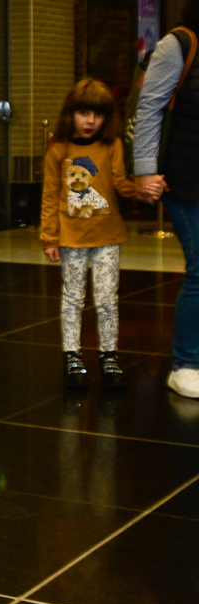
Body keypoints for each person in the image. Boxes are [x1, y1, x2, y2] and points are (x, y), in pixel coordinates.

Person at [40, 79, 136, 390]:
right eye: (83, 113)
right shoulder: (58, 150)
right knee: (72, 298)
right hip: (71, 236)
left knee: (108, 298)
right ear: (71, 114)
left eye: (97, 114)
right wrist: (49, 236)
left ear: (108, 118)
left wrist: (145, 188)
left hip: (107, 234)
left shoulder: (113, 146)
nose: (90, 121)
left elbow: (121, 183)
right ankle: (73, 356)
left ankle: (109, 356)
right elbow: (51, 196)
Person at [134, 3, 199, 399]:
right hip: (186, 179)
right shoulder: (179, 44)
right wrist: (143, 170)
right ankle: (186, 364)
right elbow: (149, 108)